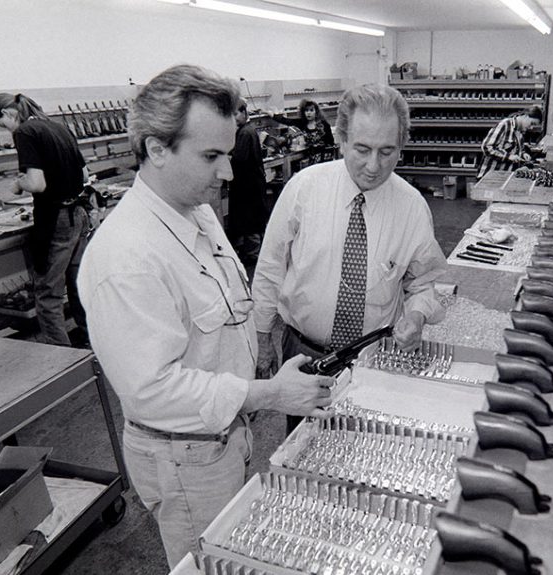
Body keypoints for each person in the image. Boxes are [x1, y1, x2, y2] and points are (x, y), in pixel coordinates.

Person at [77, 64, 333, 569]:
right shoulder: (126, 257)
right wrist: (270, 393)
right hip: (184, 456)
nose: (228, 172)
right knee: (210, 563)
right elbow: (152, 392)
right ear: (156, 149)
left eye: (229, 152)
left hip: (225, 435)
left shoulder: (194, 212)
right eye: (212, 156)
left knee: (234, 552)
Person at [252, 84, 448, 430]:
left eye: (387, 151)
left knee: (366, 453)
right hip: (305, 355)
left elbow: (424, 283)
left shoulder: (412, 208)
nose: (373, 165)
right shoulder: (303, 189)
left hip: (373, 358)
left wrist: (416, 317)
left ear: (402, 146)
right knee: (303, 455)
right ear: (341, 139)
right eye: (362, 149)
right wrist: (262, 336)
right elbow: (270, 268)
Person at [0, 92, 89, 347]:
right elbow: (85, 175)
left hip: (57, 219)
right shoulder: (57, 126)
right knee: (79, 285)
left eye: (2, 125)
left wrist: (18, 184)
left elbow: (37, 183)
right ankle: (93, 341)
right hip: (78, 213)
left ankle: (62, 358)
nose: (6, 131)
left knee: (47, 294)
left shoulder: (25, 132)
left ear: (7, 114)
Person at [227, 99, 270, 266]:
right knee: (253, 219)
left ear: (245, 113)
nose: (234, 117)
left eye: (237, 113)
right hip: (252, 183)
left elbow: (239, 158)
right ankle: (253, 251)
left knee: (250, 220)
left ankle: (253, 255)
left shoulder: (245, 132)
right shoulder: (247, 130)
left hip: (248, 185)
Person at [476, 105, 543, 179]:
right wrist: (509, 157)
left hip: (503, 176)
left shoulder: (520, 131)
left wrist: (523, 154)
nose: (531, 128)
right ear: (525, 116)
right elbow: (487, 147)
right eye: (532, 123)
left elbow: (515, 149)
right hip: (488, 176)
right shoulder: (505, 124)